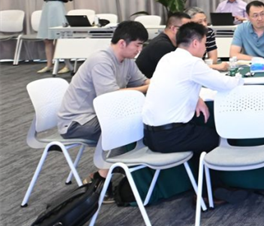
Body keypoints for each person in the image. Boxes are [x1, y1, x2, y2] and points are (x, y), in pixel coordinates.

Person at [57, 21, 150, 184]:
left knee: (132, 122)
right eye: (137, 45)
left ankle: (124, 170)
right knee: (123, 125)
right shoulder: (101, 60)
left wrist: (158, 84)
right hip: (76, 121)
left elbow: (143, 81)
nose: (139, 50)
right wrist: (146, 88)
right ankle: (101, 178)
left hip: (97, 116)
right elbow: (110, 97)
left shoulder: (127, 60)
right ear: (122, 43)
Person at [142, 22, 244, 154]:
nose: (205, 48)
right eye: (204, 43)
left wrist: (197, 98)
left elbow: (177, 87)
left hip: (149, 136)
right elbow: (226, 84)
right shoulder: (192, 63)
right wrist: (239, 78)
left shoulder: (167, 58)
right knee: (222, 137)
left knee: (202, 124)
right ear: (195, 43)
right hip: (170, 136)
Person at [36, 0, 74, 74]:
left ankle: (67, 64)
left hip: (57, 8)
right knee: (47, 39)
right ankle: (49, 64)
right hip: (47, 7)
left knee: (60, 37)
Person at [135, 11, 191, 78]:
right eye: (187, 29)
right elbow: (176, 73)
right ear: (174, 29)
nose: (191, 33)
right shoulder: (162, 45)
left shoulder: (167, 42)